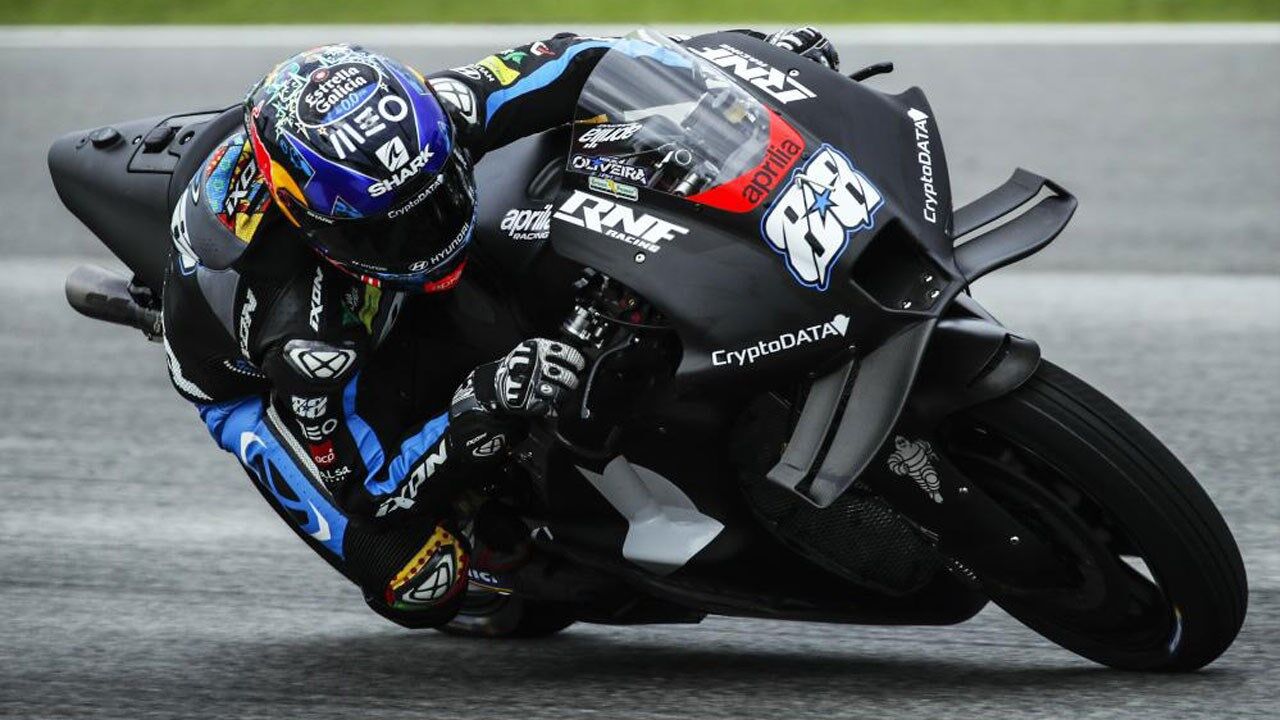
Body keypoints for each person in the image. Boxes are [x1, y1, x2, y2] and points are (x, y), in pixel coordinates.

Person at [162, 27, 839, 628]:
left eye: (436, 198)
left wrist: (740, 68)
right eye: (389, 232)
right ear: (317, 225)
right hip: (256, 387)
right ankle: (507, 553)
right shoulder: (307, 336)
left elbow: (587, 57)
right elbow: (368, 490)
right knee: (417, 579)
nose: (425, 236)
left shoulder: (438, 115)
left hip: (365, 255)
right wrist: (479, 402)